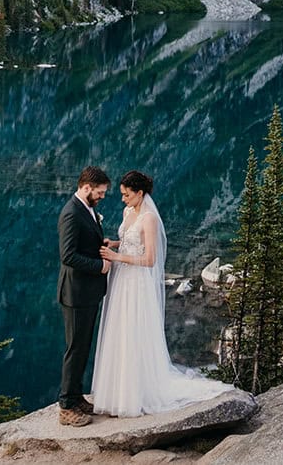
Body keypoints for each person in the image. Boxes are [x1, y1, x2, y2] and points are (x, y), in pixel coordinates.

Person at [90, 170, 233, 417]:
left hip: (136, 282)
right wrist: (115, 244)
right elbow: (130, 241)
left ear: (140, 193)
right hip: (122, 279)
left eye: (126, 194)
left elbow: (149, 259)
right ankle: (118, 391)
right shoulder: (128, 212)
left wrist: (116, 256)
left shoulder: (149, 219)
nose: (122, 199)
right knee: (121, 330)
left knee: (135, 333)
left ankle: (136, 393)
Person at [58, 166, 111, 426]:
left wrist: (103, 245)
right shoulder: (71, 213)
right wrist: (99, 266)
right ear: (86, 187)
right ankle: (66, 406)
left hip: (87, 293)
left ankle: (77, 397)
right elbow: (68, 256)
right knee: (75, 348)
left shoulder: (86, 209)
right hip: (76, 293)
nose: (102, 197)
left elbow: (85, 243)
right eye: (100, 192)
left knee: (82, 347)